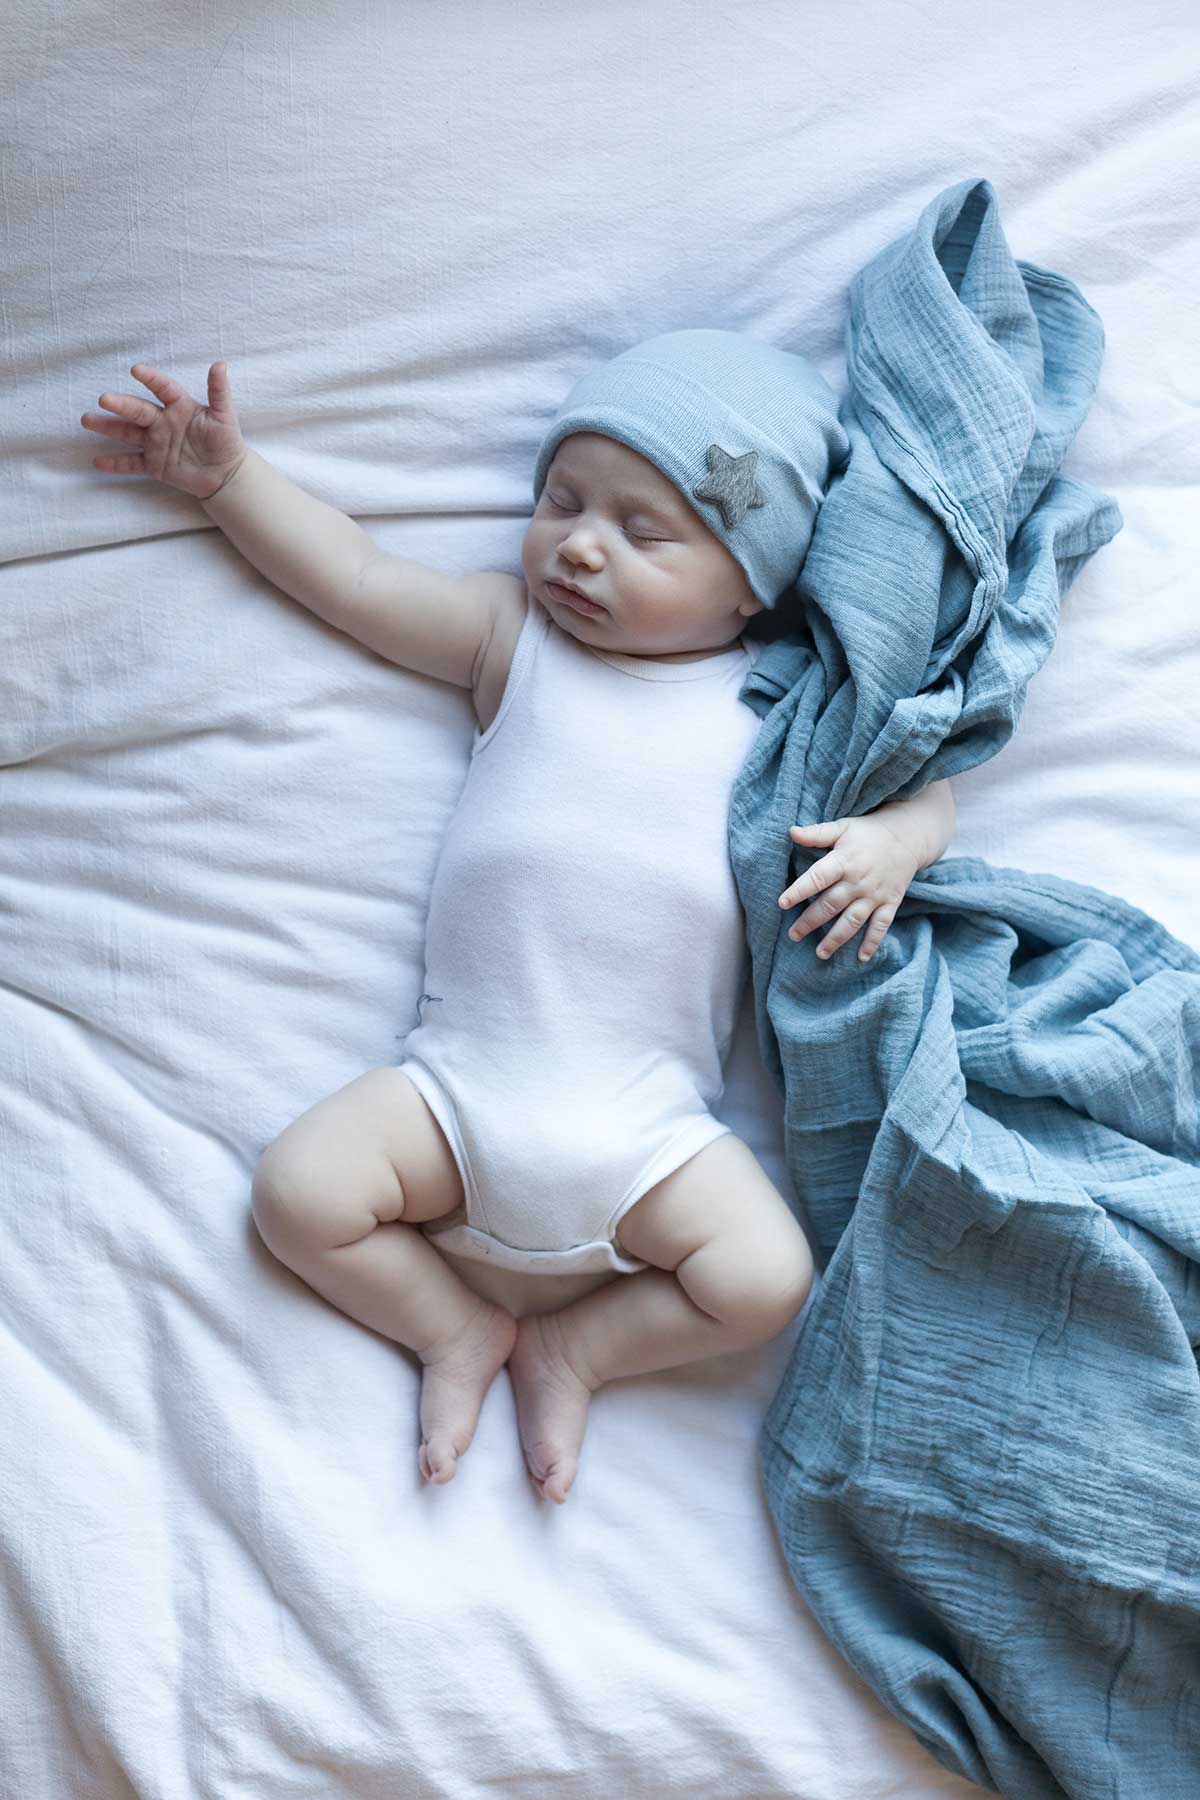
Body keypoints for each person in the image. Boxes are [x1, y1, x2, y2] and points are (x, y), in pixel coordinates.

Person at [81, 335, 955, 1504]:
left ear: (752, 585)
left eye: (643, 532)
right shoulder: (516, 641)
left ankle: (579, 1348)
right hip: (455, 1095)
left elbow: (922, 779)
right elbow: (355, 579)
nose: (581, 544)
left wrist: (896, 843)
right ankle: (451, 1328)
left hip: (651, 1132)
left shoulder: (780, 709)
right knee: (298, 1196)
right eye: (561, 501)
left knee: (765, 1280)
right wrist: (231, 482)